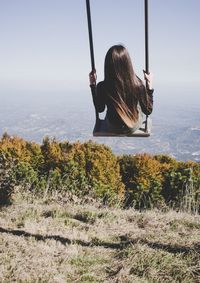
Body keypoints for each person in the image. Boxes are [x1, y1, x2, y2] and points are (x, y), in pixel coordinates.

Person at [89, 44, 154, 134]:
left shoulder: (102, 86)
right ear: (128, 63)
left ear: (107, 65)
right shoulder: (138, 85)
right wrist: (149, 86)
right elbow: (148, 110)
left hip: (113, 127)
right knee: (138, 106)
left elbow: (100, 109)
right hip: (132, 126)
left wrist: (93, 85)